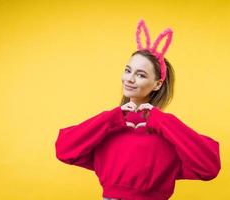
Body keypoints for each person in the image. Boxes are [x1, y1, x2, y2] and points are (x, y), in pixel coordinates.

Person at [55, 19, 221, 200]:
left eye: (140, 75)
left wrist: (162, 121)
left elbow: (210, 167)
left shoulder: (168, 133)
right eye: (128, 70)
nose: (129, 79)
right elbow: (64, 149)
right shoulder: (109, 127)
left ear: (157, 84)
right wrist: (111, 118)